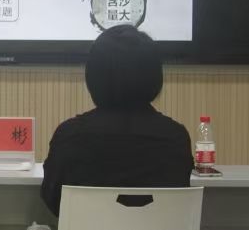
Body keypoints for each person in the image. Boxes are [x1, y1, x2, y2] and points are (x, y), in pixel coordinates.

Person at [41, 25, 194, 216]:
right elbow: (178, 202)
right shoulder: (175, 137)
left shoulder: (70, 135)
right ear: (155, 76)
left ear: (93, 77)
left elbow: (53, 199)